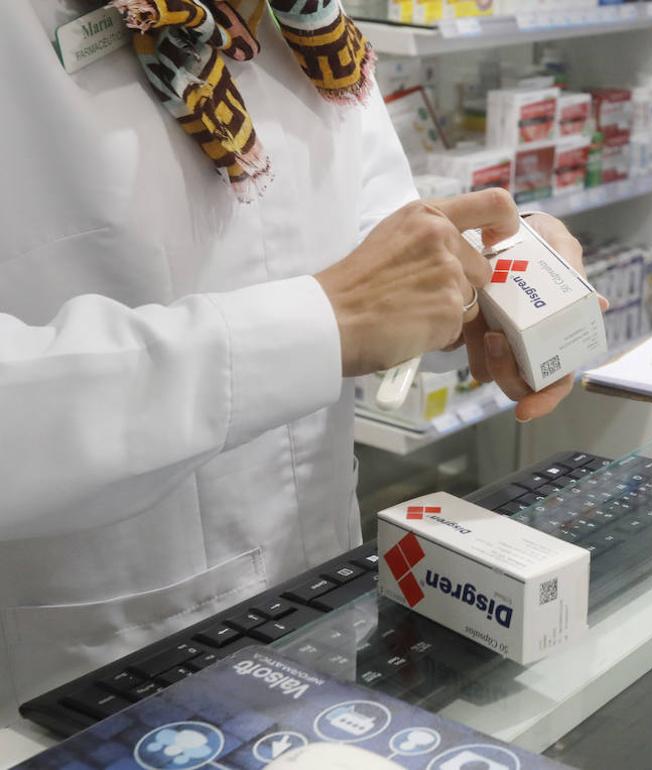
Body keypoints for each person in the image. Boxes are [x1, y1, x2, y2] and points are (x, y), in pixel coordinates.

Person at [0, 1, 590, 721]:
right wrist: (322, 324)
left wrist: (485, 283)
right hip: (86, 666)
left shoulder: (304, 23)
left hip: (316, 606)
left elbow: (371, 244)